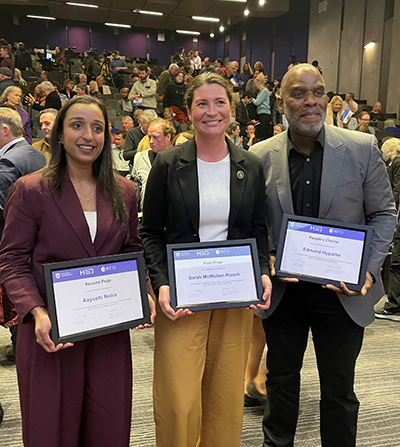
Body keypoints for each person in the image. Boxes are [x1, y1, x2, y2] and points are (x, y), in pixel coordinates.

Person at [251, 63, 396, 447]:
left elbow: (384, 214)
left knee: (339, 391)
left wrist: (367, 270)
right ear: (282, 102)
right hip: (284, 293)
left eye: (318, 92)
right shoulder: (258, 155)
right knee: (280, 385)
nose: (310, 101)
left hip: (343, 293)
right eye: (299, 93)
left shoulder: (361, 148)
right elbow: (250, 223)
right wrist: (264, 257)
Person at [0, 96, 155, 446]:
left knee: (108, 422)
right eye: (77, 125)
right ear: (59, 134)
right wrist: (36, 311)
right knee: (51, 426)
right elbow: (11, 259)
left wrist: (142, 290)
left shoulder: (124, 190)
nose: (88, 135)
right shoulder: (30, 190)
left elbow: (131, 248)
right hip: (51, 331)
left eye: (98, 128)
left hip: (108, 329)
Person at [139, 73, 272, 447]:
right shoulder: (167, 164)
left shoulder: (251, 163)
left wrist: (261, 272)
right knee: (179, 399)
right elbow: (150, 232)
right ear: (189, 111)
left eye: (219, 103)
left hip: (234, 295)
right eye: (202, 103)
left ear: (231, 108)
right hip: (183, 296)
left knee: (225, 397)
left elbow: (257, 230)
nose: (211, 111)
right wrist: (161, 282)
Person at [131, 118, 175, 212]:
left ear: (168, 136)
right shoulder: (140, 157)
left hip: (172, 215)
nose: (151, 141)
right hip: (146, 213)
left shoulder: (177, 158)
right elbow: (135, 184)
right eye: (149, 137)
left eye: (155, 137)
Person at [252, 73, 271, 140]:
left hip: (264, 114)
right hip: (261, 114)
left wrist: (252, 99)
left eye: (255, 83)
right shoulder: (260, 92)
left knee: (262, 134)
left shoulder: (264, 91)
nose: (255, 85)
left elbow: (257, 102)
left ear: (259, 83)